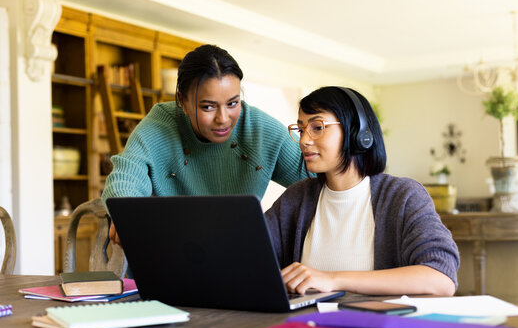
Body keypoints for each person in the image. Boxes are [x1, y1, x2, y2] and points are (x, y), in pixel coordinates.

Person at [265, 86, 459, 296]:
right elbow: (249, 257)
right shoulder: (296, 198)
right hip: (308, 325)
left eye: (318, 127)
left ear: (357, 133)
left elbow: (442, 278)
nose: (304, 140)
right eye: (301, 129)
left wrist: (332, 279)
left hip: (376, 327)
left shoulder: (403, 196)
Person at [102, 44, 305, 245]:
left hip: (234, 252)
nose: (223, 118)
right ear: (183, 102)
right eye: (208, 107)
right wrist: (124, 213)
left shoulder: (259, 128)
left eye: (233, 103)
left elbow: (318, 174)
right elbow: (126, 177)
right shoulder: (160, 126)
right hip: (171, 251)